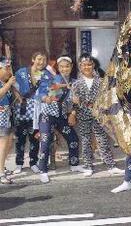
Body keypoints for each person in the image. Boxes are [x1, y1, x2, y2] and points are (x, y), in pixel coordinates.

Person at [70, 53, 124, 177]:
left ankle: (111, 165)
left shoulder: (101, 81)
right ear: (80, 66)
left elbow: (107, 98)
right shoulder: (76, 84)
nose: (87, 67)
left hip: (98, 114)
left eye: (89, 64)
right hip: (83, 114)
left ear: (93, 65)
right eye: (84, 65)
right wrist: (73, 113)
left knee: (103, 140)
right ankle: (88, 166)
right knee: (85, 140)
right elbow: (74, 102)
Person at [37, 55, 84, 183]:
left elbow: (75, 103)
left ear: (72, 67)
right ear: (58, 67)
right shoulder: (51, 78)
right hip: (47, 115)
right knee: (46, 142)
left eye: (67, 66)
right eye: (62, 66)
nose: (64, 69)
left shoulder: (75, 82)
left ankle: (74, 165)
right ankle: (43, 170)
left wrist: (73, 113)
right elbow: (41, 93)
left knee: (73, 139)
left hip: (62, 116)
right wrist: (45, 98)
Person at [12, 51, 47, 174]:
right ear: (33, 59)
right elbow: (13, 86)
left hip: (36, 109)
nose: (41, 62)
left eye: (44, 60)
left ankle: (33, 162)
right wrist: (19, 97)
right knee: (20, 138)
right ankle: (19, 163)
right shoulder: (21, 72)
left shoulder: (45, 75)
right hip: (22, 108)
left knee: (34, 138)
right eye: (39, 59)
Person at [0, 58, 16, 184]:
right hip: (1, 116)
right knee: (3, 145)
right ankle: (0, 174)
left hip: (7, 116)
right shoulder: (5, 83)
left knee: (8, 144)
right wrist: (9, 83)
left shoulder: (5, 81)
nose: (9, 71)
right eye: (7, 68)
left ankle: (2, 167)